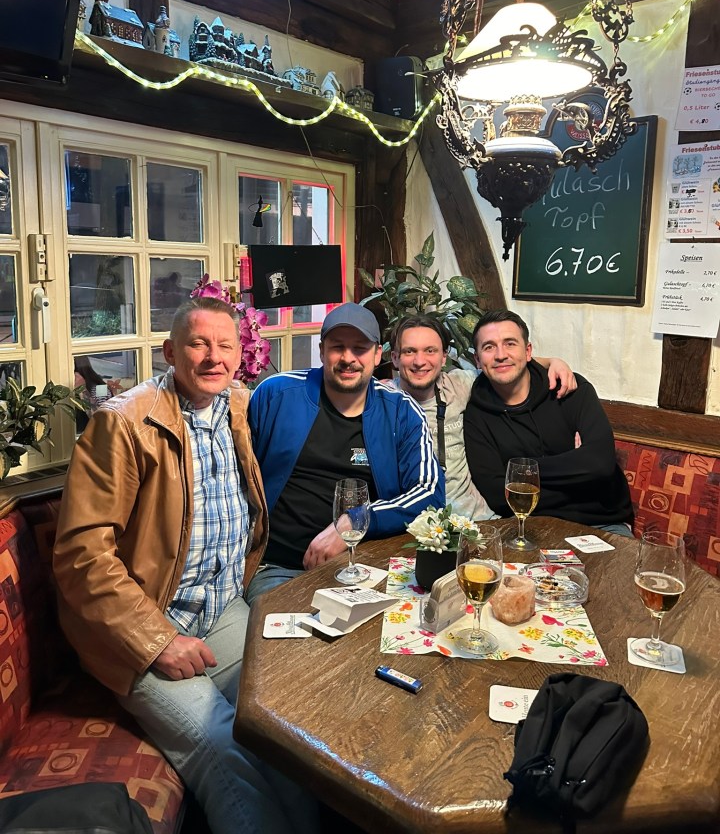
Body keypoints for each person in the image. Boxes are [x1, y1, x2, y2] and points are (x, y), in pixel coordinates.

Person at [53, 297, 317, 834]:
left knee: (289, 726)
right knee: (223, 744)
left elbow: (321, 384)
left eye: (225, 345)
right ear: (171, 351)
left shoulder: (240, 409)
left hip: (220, 609)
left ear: (241, 354)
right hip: (147, 623)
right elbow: (82, 555)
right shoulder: (123, 423)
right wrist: (157, 640)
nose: (213, 356)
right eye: (198, 343)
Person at [246, 302, 444, 603]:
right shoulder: (276, 394)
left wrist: (354, 522)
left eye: (360, 348)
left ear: (377, 355)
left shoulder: (401, 411)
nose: (348, 358)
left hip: (367, 565)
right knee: (289, 642)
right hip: (280, 567)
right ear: (322, 350)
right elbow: (238, 474)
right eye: (338, 347)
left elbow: (430, 494)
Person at [389, 314, 577, 521]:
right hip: (413, 526)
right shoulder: (380, 402)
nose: (419, 361)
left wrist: (552, 362)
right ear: (395, 358)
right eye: (409, 351)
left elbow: (502, 366)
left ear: (444, 357)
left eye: (430, 351)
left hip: (480, 522)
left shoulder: (460, 385)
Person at [463, 309, 634, 534]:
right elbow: (497, 495)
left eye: (510, 343)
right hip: (530, 526)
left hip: (602, 522)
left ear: (528, 351)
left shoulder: (571, 388)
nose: (500, 354)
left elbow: (600, 464)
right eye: (489, 347)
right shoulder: (476, 412)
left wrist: (515, 470)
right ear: (477, 359)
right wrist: (577, 468)